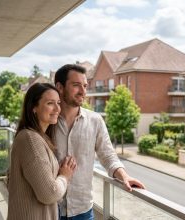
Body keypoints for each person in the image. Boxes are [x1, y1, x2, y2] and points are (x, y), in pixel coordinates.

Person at [54, 64, 145, 219]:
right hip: (50, 209)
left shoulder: (95, 121)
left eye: (84, 86)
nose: (83, 91)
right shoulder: (47, 121)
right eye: (76, 85)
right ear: (60, 87)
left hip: (82, 211)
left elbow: (108, 155)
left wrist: (124, 176)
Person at [7, 83, 77, 220]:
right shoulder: (30, 139)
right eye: (50, 103)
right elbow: (49, 194)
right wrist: (64, 176)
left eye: (58, 102)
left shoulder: (37, 137)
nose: (58, 108)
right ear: (34, 107)